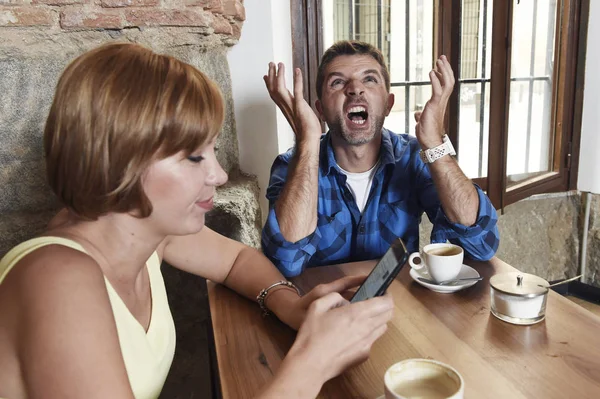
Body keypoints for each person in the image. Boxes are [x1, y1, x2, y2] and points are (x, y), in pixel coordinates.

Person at [0, 43, 394, 399]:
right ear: (120, 160)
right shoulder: (56, 279)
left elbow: (236, 262)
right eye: (194, 157)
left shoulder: (147, 234)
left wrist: (291, 306)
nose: (219, 175)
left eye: (213, 150)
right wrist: (314, 361)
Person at [262, 40, 499, 277]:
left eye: (369, 79)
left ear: (388, 104)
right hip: (324, 309)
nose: (355, 89)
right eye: (338, 82)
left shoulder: (412, 157)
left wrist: (435, 143)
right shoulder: (290, 165)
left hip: (400, 308)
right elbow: (286, 262)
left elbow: (482, 245)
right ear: (320, 110)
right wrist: (307, 140)